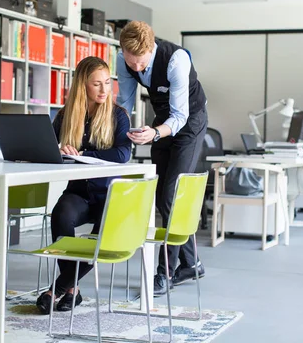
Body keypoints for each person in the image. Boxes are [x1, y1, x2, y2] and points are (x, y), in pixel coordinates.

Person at [116, 21, 208, 296]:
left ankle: (164, 272)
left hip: (189, 121)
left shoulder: (175, 60)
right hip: (161, 121)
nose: (137, 70)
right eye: (132, 65)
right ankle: (192, 264)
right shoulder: (125, 60)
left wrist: (155, 133)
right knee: (162, 197)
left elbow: (179, 117)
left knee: (172, 195)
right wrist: (118, 131)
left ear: (150, 49)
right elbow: (126, 103)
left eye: (141, 64)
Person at [36, 56, 132, 314]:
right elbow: (49, 148)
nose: (104, 90)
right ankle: (72, 291)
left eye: (107, 83)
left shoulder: (118, 115)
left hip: (110, 196)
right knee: (61, 215)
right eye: (96, 84)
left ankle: (56, 289)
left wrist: (83, 155)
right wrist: (61, 150)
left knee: (99, 241)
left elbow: (123, 154)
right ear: (83, 85)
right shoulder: (67, 115)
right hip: (78, 192)